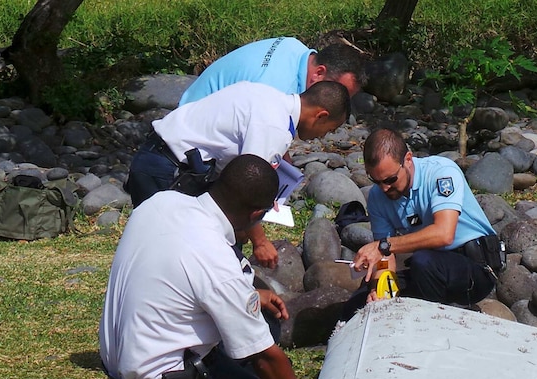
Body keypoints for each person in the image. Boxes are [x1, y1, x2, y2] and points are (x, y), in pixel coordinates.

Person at [101, 154, 343, 379]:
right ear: (256, 214)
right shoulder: (214, 258)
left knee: (263, 325)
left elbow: (175, 278)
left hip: (121, 361)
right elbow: (264, 359)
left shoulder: (162, 202)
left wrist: (252, 296)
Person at [125, 80, 351, 268]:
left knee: (160, 248)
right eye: (329, 129)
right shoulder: (274, 127)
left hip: (156, 156)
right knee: (168, 255)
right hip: (169, 170)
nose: (322, 137)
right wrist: (260, 241)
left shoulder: (267, 95)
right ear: (321, 115)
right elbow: (248, 188)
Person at [346, 127, 499, 314]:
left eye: (390, 179)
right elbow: (385, 258)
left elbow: (444, 234)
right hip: (430, 269)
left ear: (408, 160)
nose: (384, 188)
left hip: (475, 269)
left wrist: (383, 246)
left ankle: (437, 321)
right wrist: (380, 291)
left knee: (423, 261)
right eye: (376, 181)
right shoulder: (378, 197)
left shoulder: (441, 173)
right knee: (362, 298)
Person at [179, 36, 365, 106]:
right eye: (339, 93)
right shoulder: (277, 91)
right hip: (188, 142)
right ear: (319, 73)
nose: (339, 104)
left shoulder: (294, 47)